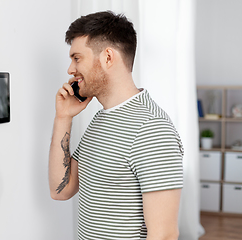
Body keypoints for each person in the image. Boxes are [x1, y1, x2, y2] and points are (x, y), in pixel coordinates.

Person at [48, 11, 184, 240]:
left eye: (77, 58)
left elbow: (164, 235)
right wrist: (63, 118)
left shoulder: (151, 129)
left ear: (108, 58)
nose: (70, 69)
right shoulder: (101, 120)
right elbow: (60, 190)